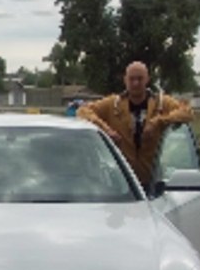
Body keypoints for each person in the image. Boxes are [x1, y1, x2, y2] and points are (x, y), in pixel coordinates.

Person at [77, 61, 193, 189]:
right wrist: (107, 130)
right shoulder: (113, 104)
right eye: (132, 79)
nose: (136, 83)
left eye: (140, 78)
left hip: (153, 180)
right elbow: (83, 111)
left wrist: (158, 122)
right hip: (121, 181)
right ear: (125, 80)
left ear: (147, 79)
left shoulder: (161, 103)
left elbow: (187, 112)